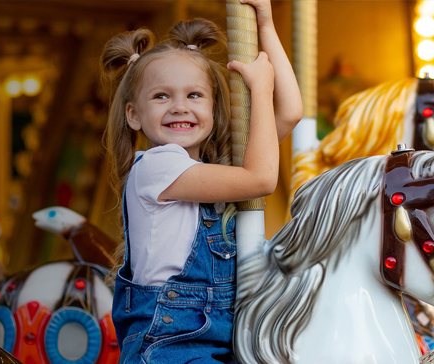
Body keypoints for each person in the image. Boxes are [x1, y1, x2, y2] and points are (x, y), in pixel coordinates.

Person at [100, 0, 302, 362]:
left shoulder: (217, 170)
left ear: (213, 107)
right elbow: (261, 179)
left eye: (194, 95)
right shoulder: (154, 167)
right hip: (170, 343)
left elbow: (288, 113)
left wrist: (266, 27)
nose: (179, 106)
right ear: (133, 115)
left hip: (225, 336)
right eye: (161, 96)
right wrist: (259, 91)